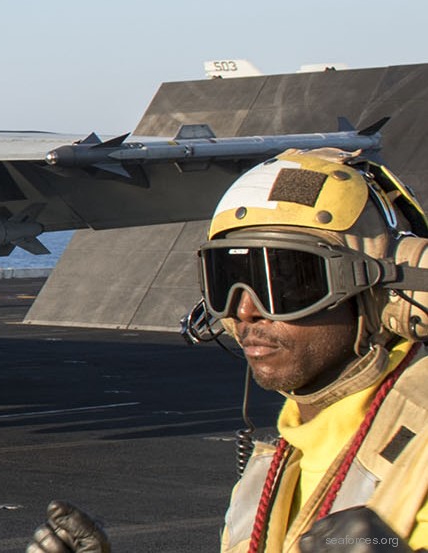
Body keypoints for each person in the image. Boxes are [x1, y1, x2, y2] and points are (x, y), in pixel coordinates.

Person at [30, 148, 428, 552]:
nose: (244, 311)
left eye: (286, 281)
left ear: (386, 296)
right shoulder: (270, 471)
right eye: (230, 280)